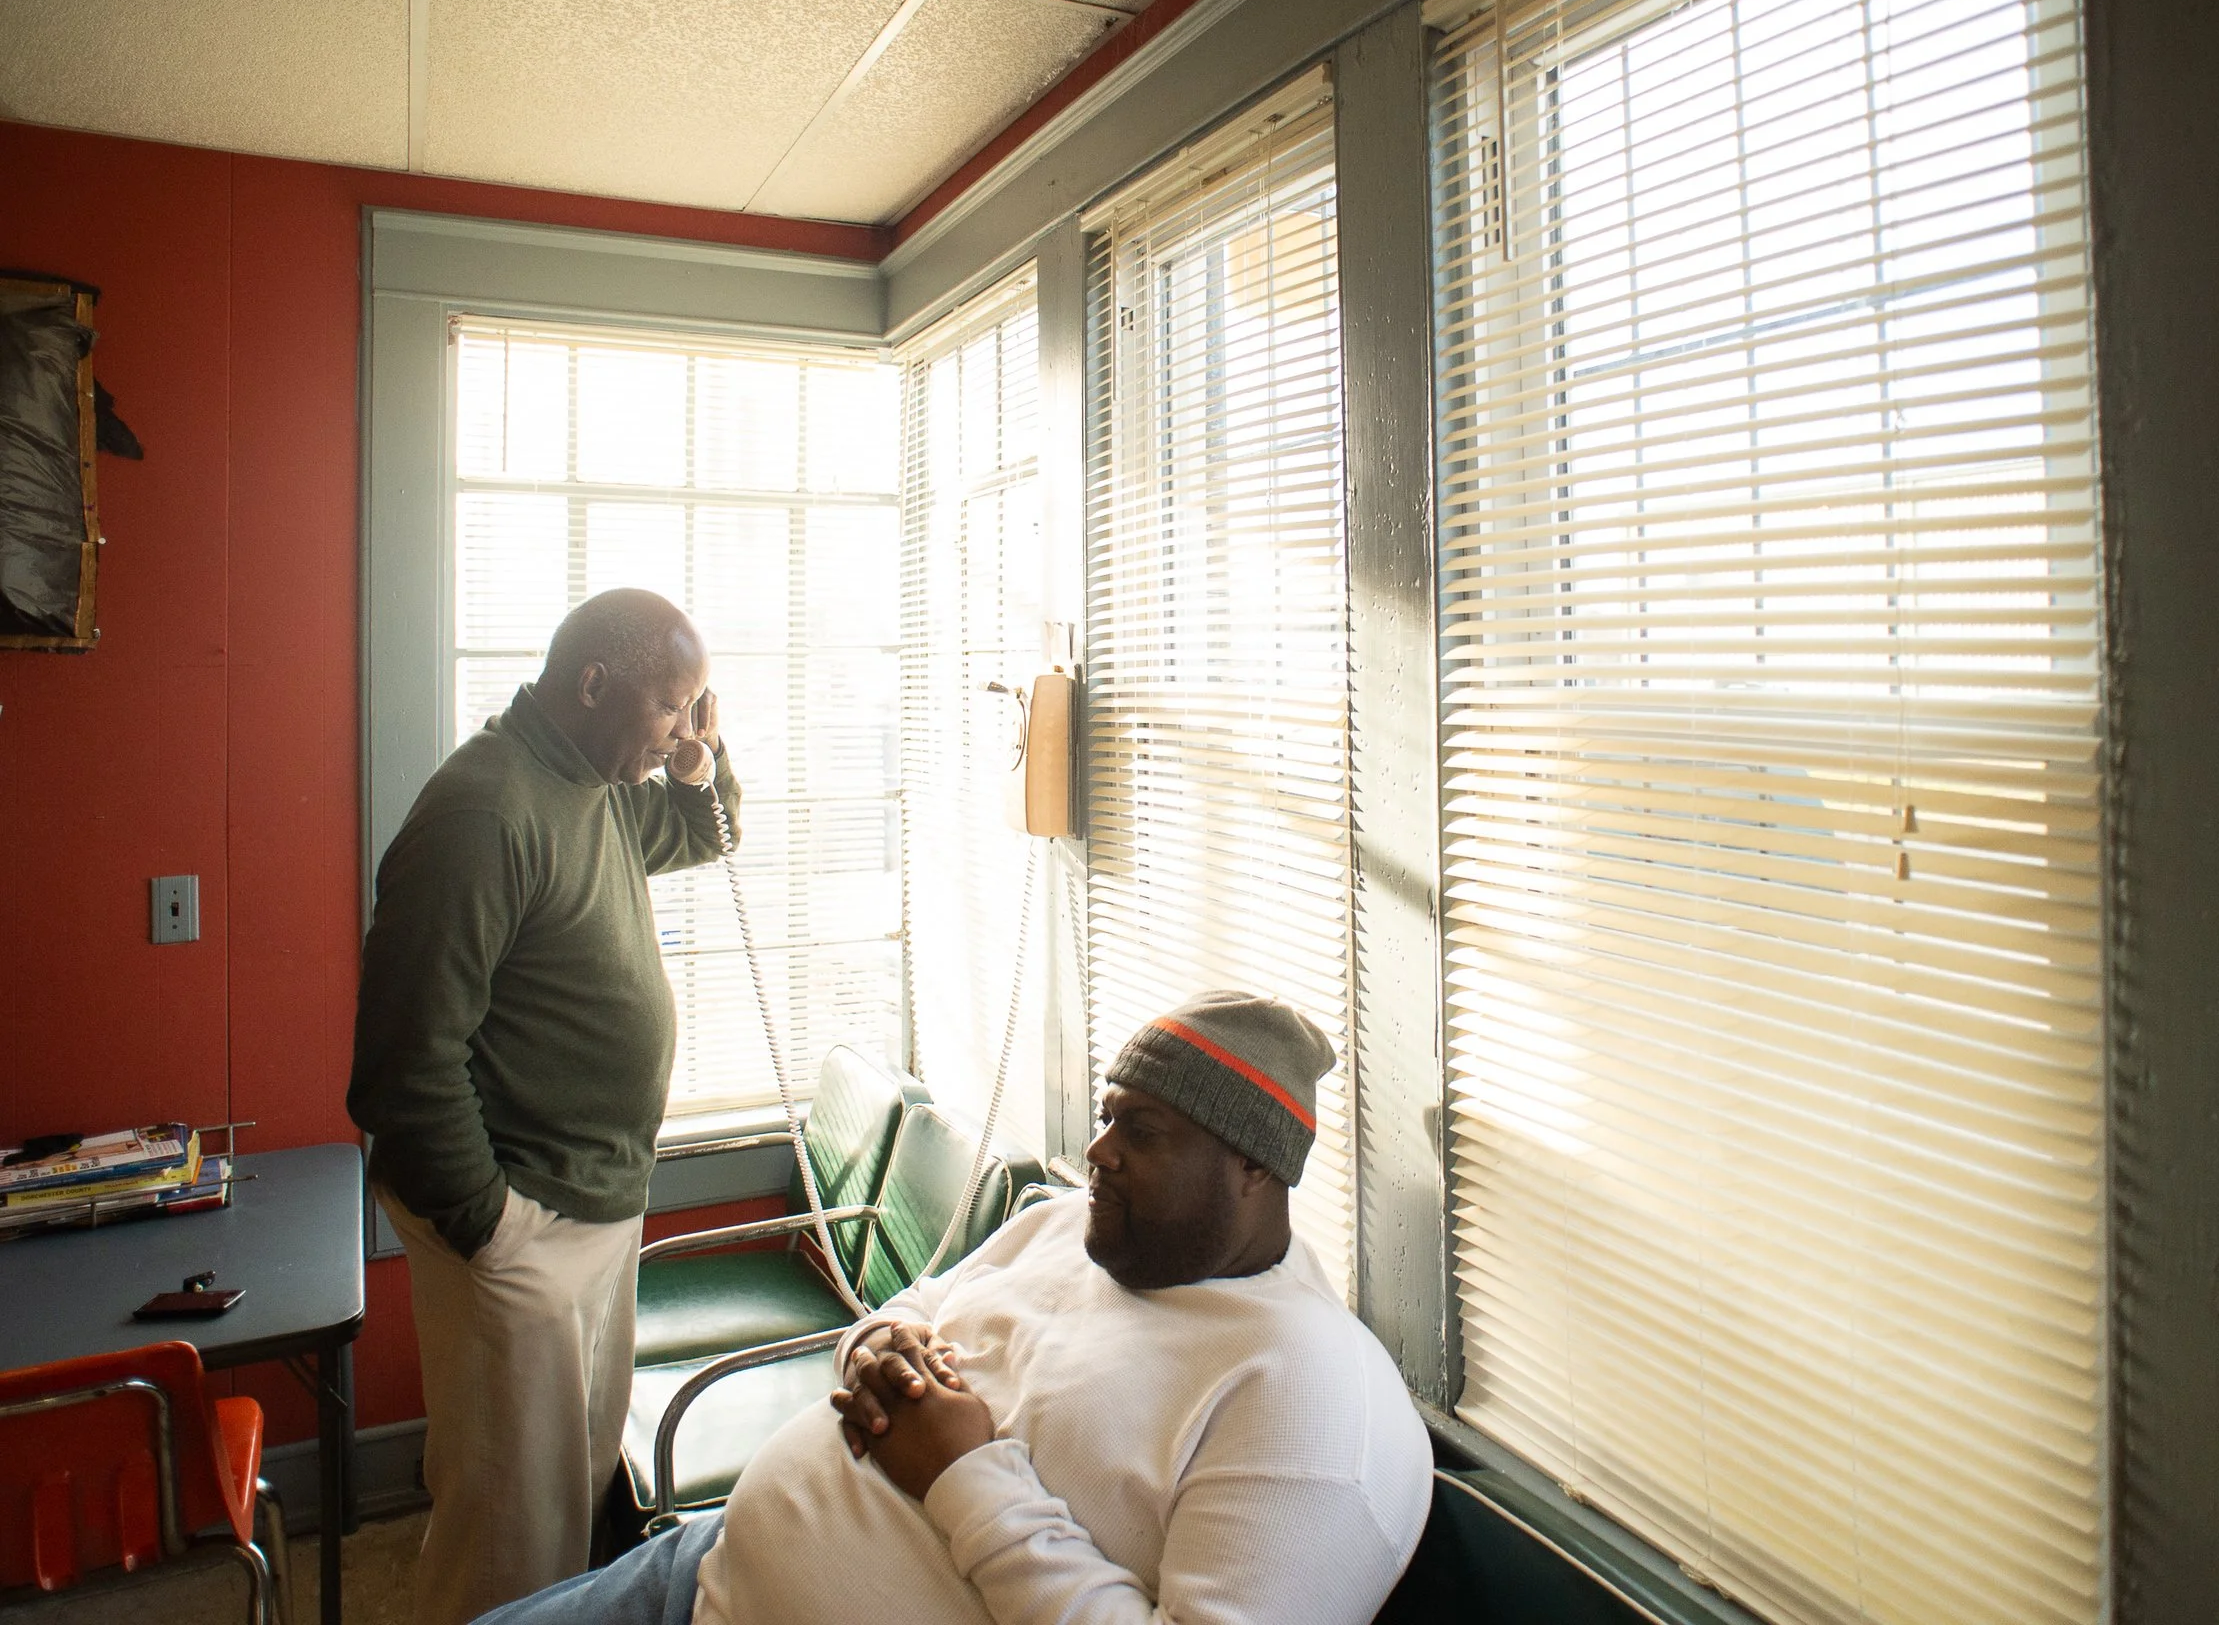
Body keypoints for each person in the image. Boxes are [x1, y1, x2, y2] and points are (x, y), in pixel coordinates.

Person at [474, 992, 1433, 1625]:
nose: (1097, 1153)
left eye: (1142, 1132)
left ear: (1253, 1169)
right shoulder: (1066, 1229)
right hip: (707, 1566)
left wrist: (964, 1472)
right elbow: (910, 1309)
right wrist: (881, 1351)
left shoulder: (1314, 1399)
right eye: (1106, 1117)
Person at [347, 588, 741, 1625]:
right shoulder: (487, 809)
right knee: (506, 1527)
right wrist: (493, 1227)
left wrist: (693, 754)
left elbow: (706, 838)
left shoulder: (597, 779)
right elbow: (403, 1060)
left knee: (569, 1493)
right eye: (670, 705)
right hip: (520, 1218)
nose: (678, 732)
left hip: (594, 1199)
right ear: (592, 684)